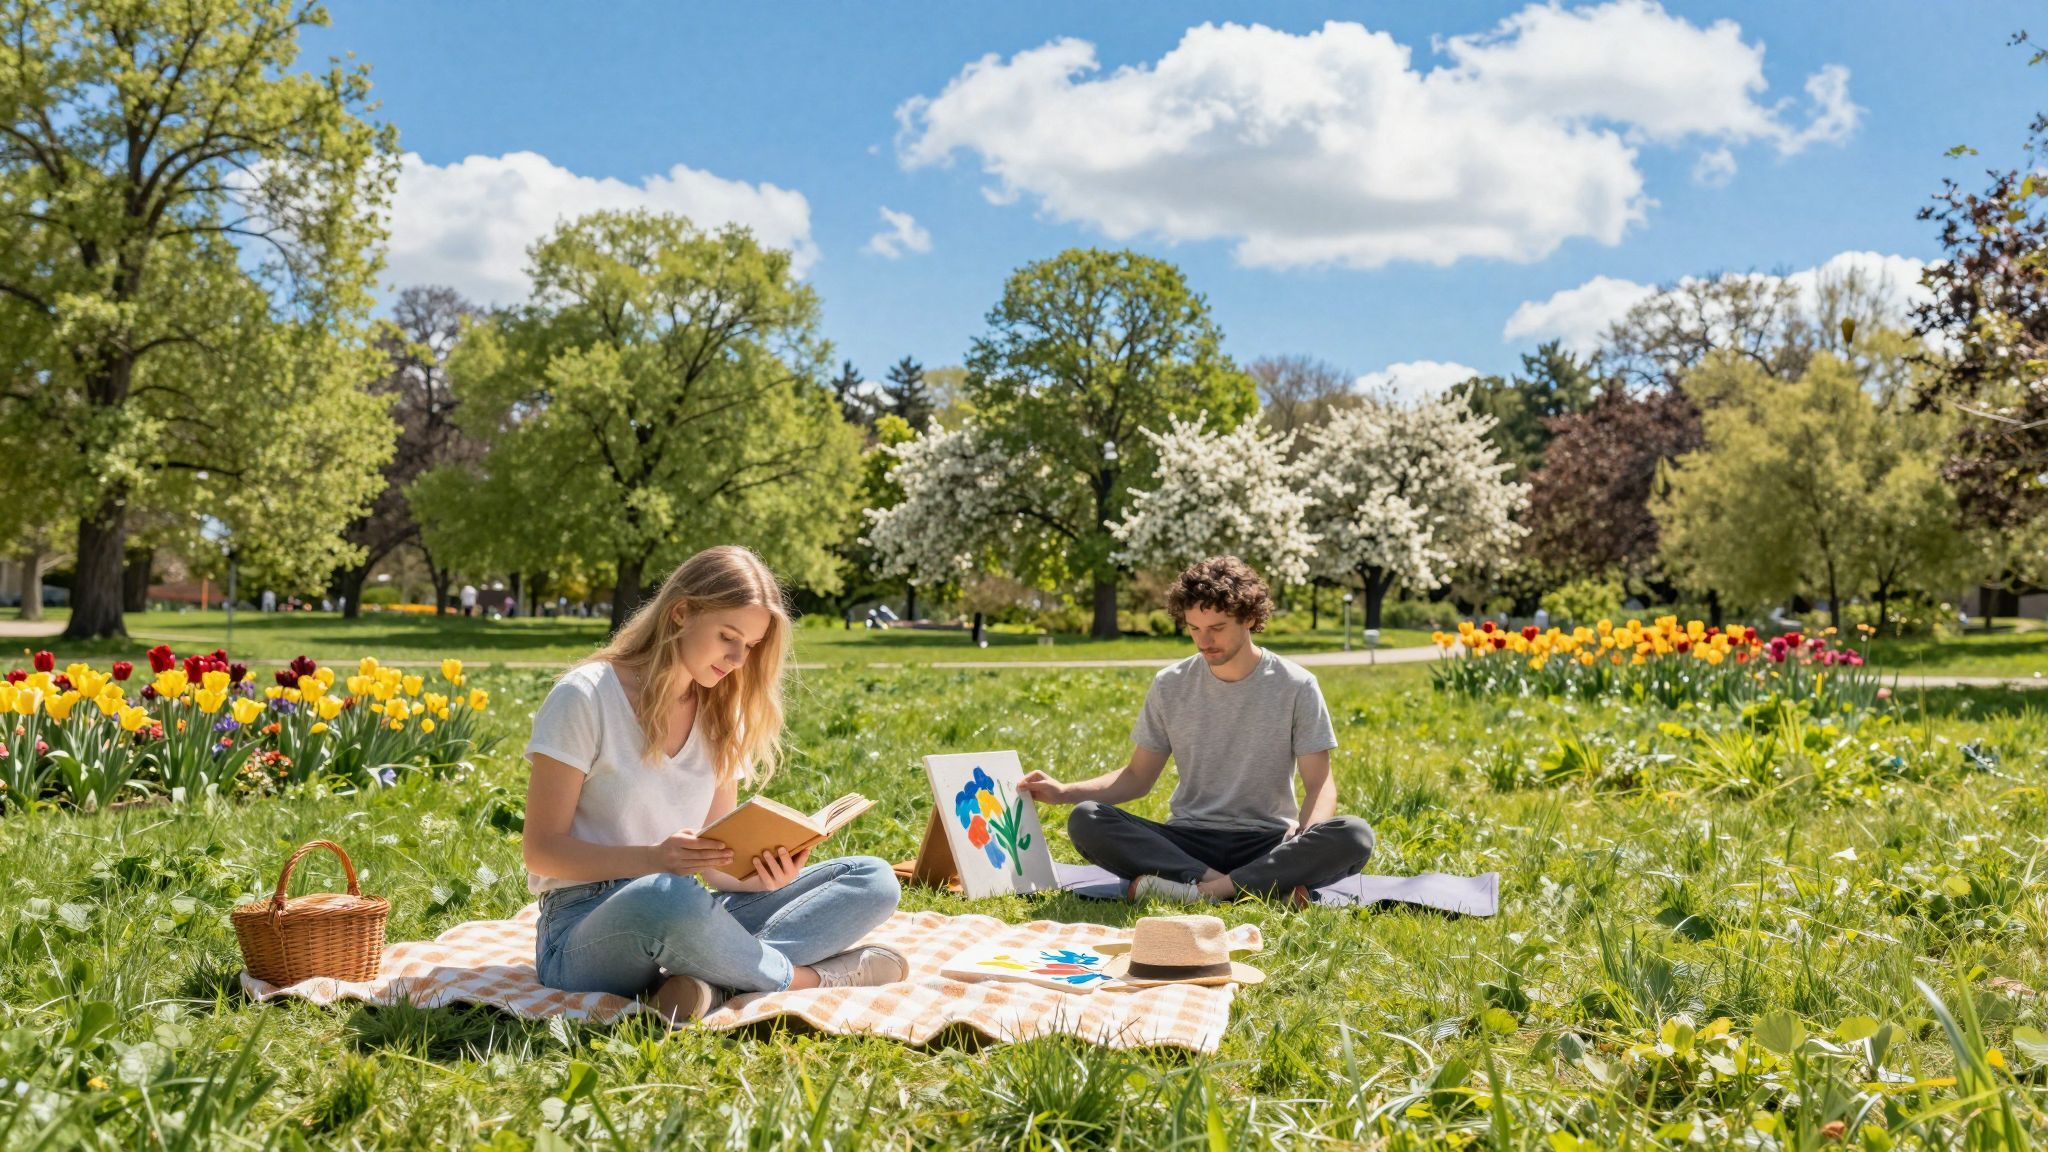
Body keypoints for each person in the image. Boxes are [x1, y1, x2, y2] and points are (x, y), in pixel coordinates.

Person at [522, 546, 906, 1023]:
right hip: (582, 927)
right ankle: (807, 978)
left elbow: (717, 870)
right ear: (681, 613)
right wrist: (654, 860)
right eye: (728, 636)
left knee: (872, 878)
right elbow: (540, 850)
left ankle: (709, 986)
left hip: (684, 905)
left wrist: (766, 871)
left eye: (750, 646)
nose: (738, 659)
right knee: (666, 894)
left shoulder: (721, 710)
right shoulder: (586, 696)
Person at [1019, 556, 1375, 905]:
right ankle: (1252, 887)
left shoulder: (1296, 684)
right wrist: (1064, 792)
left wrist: (1304, 838)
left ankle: (1201, 893)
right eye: (1194, 628)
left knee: (1354, 835)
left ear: (1250, 617)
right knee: (1087, 819)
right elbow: (1137, 778)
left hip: (1267, 842)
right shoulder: (1170, 684)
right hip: (1186, 841)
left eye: (1217, 628)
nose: (1204, 641)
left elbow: (1320, 784)